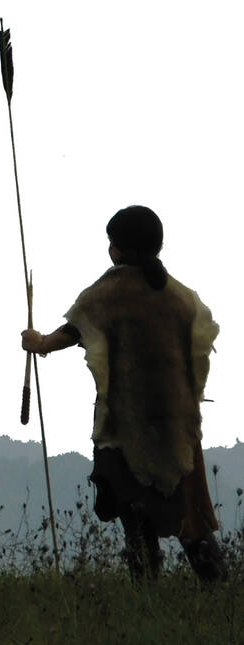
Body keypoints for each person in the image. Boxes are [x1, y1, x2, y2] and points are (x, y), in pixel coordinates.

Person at [21, 206, 227, 582]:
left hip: (123, 429)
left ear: (116, 248)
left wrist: (37, 342)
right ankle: (219, 589)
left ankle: (145, 596)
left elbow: (67, 334)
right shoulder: (182, 297)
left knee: (137, 524)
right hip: (177, 429)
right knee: (190, 519)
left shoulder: (110, 291)